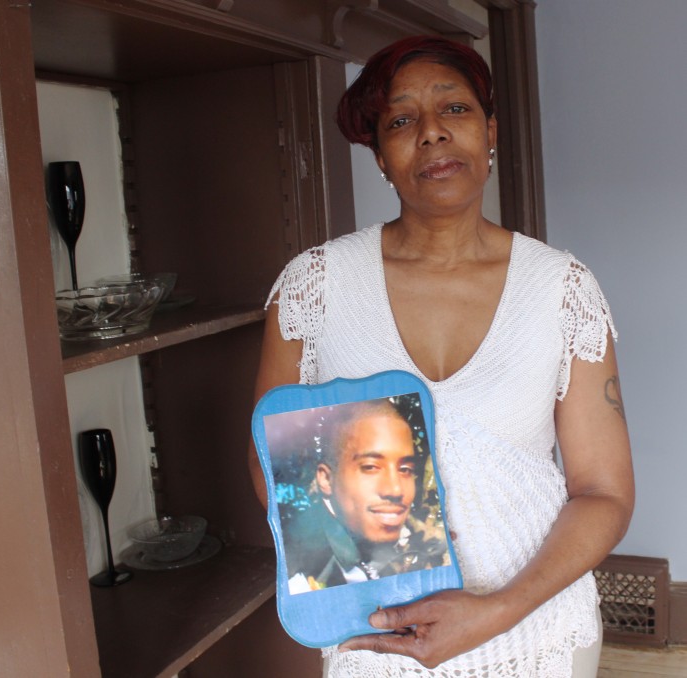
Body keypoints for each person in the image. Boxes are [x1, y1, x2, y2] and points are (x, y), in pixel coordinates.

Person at [249, 34, 634, 678]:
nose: (430, 132)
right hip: (382, 632)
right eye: (401, 120)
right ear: (380, 156)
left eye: (452, 109)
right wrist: (372, 570)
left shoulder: (562, 289)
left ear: (490, 132)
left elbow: (604, 492)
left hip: (537, 626)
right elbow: (274, 471)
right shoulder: (314, 287)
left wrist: (498, 608)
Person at [282, 399, 450, 594]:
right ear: (326, 479)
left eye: (405, 469)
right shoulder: (301, 569)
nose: (395, 490)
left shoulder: (364, 549)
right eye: (370, 467)